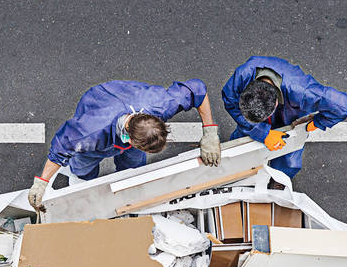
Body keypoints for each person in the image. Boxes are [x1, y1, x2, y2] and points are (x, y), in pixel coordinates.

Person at [27, 80, 221, 211]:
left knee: (132, 167)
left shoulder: (161, 104)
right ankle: (84, 185)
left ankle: (127, 182)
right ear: (130, 139)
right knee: (82, 167)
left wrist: (210, 132)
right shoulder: (88, 133)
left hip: (127, 105)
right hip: (100, 102)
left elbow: (197, 90)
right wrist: (41, 183)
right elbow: (60, 149)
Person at [222, 56, 347, 178]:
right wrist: (261, 132)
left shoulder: (304, 92)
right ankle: (236, 171)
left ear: (276, 103)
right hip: (271, 107)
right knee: (241, 148)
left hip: (290, 116)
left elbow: (341, 105)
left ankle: (278, 180)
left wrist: (317, 123)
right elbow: (230, 100)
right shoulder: (242, 76)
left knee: (289, 158)